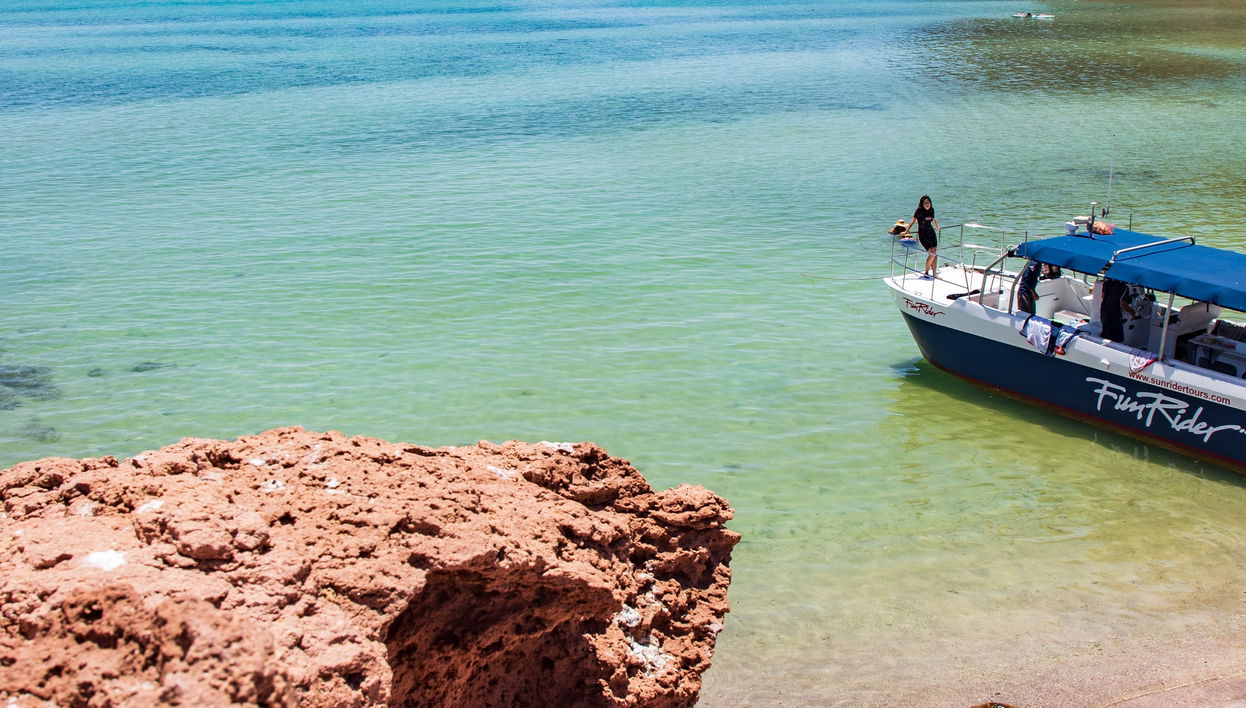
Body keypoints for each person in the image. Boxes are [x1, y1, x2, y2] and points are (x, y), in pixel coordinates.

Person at [904, 195, 940, 278]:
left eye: (928, 203)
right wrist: (906, 230)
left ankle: (934, 274)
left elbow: (933, 219)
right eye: (925, 203)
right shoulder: (919, 211)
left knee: (934, 252)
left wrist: (937, 227)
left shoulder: (932, 210)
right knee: (931, 253)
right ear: (922, 204)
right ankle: (926, 272)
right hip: (923, 234)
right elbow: (913, 221)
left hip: (931, 233)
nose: (927, 204)